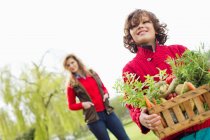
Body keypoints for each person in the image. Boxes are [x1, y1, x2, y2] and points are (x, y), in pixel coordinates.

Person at [122, 9, 210, 140]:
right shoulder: (130, 69)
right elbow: (133, 104)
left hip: (205, 125)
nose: (140, 26)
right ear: (131, 37)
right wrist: (141, 117)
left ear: (156, 29)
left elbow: (205, 75)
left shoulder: (179, 50)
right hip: (173, 134)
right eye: (134, 26)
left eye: (145, 22)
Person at [63, 54, 130, 140]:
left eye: (72, 62)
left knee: (124, 138)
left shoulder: (92, 73)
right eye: (68, 65)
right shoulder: (71, 84)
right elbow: (71, 105)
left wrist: (106, 93)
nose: (71, 66)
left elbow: (103, 88)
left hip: (108, 112)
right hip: (94, 119)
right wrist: (82, 104)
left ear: (77, 61)